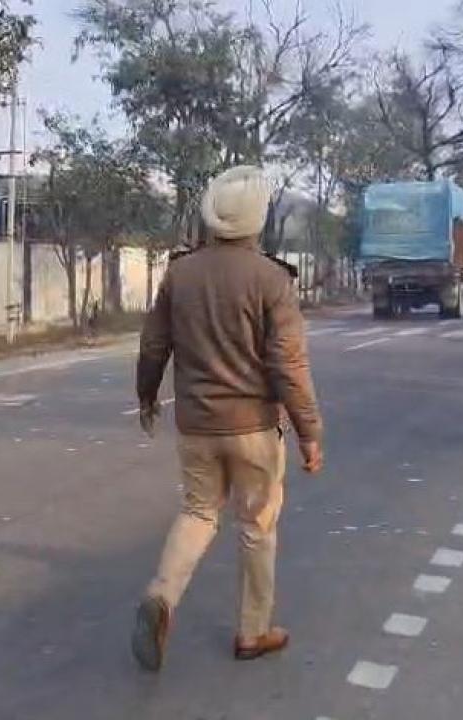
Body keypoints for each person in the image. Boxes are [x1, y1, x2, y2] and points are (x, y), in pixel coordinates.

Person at [133, 166, 324, 672]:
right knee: (257, 526)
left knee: (198, 513)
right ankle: (253, 631)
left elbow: (153, 346)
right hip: (254, 428)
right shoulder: (271, 278)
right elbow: (288, 365)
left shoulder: (180, 274)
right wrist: (309, 433)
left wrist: (147, 397)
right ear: (257, 218)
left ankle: (162, 595)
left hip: (196, 426)